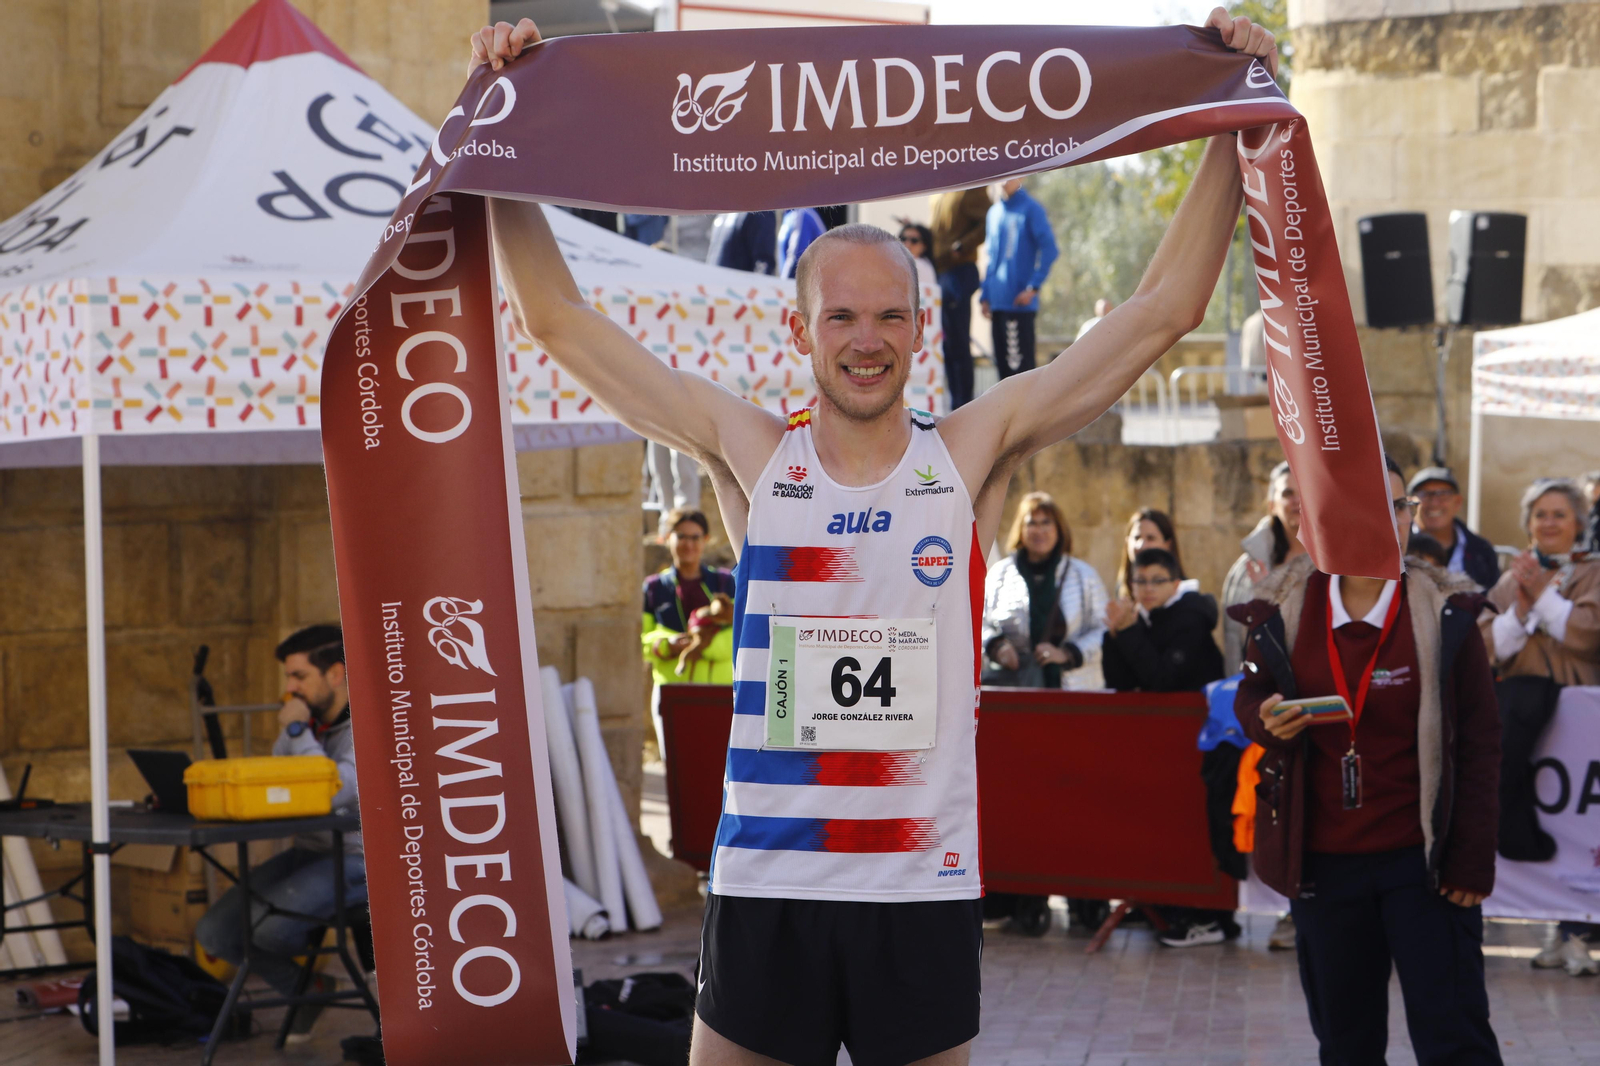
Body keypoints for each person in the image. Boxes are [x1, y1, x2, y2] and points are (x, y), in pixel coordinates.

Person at [473, 12, 1280, 1061]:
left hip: (917, 882)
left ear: (920, 326)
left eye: (888, 318)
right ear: (797, 328)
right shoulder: (751, 450)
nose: (866, 342)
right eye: (841, 318)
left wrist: (1233, 110)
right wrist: (496, 132)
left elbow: (1161, 309)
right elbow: (558, 323)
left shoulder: (969, 454)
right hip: (768, 880)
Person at [1233, 463, 1503, 1066]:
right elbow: (1250, 695)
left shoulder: (1449, 614)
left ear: (1410, 518)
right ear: (1328, 519)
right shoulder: (1281, 610)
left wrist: (1470, 859)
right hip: (1323, 868)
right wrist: (1263, 719)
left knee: (1454, 1041)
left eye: (1397, 507)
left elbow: (1482, 745)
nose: (1385, 521)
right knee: (1347, 1045)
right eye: (1366, 505)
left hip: (1426, 865)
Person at [194, 625, 363, 1039]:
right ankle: (308, 991)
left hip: (361, 859)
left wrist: (296, 733)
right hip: (311, 851)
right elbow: (277, 781)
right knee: (214, 932)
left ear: (336, 674)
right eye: (289, 677)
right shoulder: (307, 725)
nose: (290, 688)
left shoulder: (367, 728)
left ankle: (309, 991)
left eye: (299, 677)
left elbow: (329, 790)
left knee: (267, 929)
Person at [1480, 478, 1600, 974]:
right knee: (1538, 811)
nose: (1548, 523)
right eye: (1540, 515)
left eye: (1559, 514)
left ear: (1578, 523)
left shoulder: (1594, 573)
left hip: (1581, 720)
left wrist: (1543, 598)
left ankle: (1581, 927)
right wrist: (1524, 602)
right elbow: (1486, 647)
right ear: (1527, 525)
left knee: (1581, 822)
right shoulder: (1511, 580)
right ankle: (1557, 927)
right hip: (1520, 712)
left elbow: (1589, 637)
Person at [1103, 548, 1232, 945]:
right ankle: (1166, 907)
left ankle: (1211, 919)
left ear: (1175, 584)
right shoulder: (1143, 620)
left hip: (1204, 747)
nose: (1147, 589)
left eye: (1157, 580)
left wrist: (1128, 633)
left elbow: (1160, 679)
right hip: (1163, 750)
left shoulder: (1190, 620)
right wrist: (1116, 633)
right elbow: (1121, 682)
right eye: (1139, 581)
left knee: (1200, 829)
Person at [981, 492, 1108, 691]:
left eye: (1046, 522)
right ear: (1020, 530)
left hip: (1076, 691)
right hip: (1013, 688)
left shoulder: (1084, 576)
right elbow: (976, 622)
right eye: (1032, 523)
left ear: (1059, 529)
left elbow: (1104, 629)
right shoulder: (999, 574)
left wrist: (1067, 653)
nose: (1039, 530)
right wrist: (996, 646)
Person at [642, 508, 738, 752]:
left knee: (716, 774)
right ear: (667, 537)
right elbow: (642, 639)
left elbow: (739, 635)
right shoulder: (653, 587)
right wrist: (668, 645)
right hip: (672, 694)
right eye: (681, 536)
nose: (688, 544)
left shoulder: (726, 583)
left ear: (705, 540)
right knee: (677, 775)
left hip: (720, 695)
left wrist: (702, 645)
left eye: (695, 537)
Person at [1221, 460, 1306, 671]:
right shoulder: (1244, 571)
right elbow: (1234, 641)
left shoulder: (1336, 563)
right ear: (1272, 505)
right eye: (1287, 493)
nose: (1297, 500)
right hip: (1263, 690)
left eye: (1304, 491)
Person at [980, 176, 1059, 380]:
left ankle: (1030, 414)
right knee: (1003, 374)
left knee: (1020, 374)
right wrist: (985, 294)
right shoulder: (993, 212)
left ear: (1021, 176)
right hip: (997, 303)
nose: (1003, 179)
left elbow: (1050, 250)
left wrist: (1033, 287)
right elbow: (991, 257)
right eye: (999, 173)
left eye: (1010, 173)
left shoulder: (1031, 209)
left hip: (1019, 305)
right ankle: (1006, 414)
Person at [930, 187, 990, 410]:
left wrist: (963, 246)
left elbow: (987, 222)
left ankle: (963, 405)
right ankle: (955, 403)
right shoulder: (936, 193)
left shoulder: (970, 189)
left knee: (958, 342)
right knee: (947, 344)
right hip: (942, 273)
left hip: (959, 272)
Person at [1408, 466, 1499, 589]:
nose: (1434, 502)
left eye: (1443, 494)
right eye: (1425, 494)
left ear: (1457, 502)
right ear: (1410, 503)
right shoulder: (1396, 548)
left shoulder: (1482, 552)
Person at [1117, 507, 1183, 600]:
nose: (1141, 546)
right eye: (1136, 538)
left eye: (1151, 538)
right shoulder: (1122, 588)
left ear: (1168, 544)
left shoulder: (1183, 596)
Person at [706, 210, 777, 274]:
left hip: (737, 286)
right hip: (714, 284)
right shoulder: (724, 211)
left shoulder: (759, 210)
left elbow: (763, 261)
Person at [778, 207, 828, 279]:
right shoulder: (789, 216)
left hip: (806, 283)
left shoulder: (802, 215)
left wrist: (783, 284)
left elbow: (797, 256)